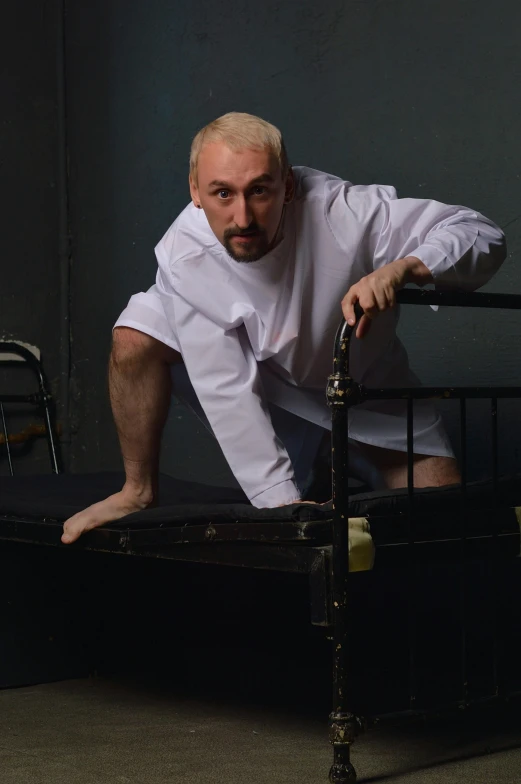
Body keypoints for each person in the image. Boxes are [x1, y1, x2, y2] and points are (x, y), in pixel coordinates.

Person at [61, 112, 506, 545]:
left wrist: (405, 268)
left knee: (444, 518)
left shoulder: (345, 213)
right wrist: (286, 511)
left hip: (366, 391)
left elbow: (479, 232)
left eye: (259, 191)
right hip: (269, 387)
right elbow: (225, 386)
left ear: (288, 185)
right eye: (222, 193)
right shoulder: (185, 255)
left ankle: (346, 461)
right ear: (195, 191)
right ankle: (137, 491)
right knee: (134, 333)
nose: (242, 218)